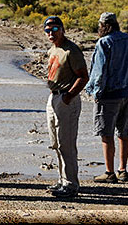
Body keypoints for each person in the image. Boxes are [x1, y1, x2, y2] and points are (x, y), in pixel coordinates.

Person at [85, 12, 128, 183]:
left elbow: (99, 72)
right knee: (123, 133)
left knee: (106, 134)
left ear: (104, 25)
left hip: (108, 95)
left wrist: (95, 92)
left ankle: (109, 173)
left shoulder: (104, 42)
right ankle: (122, 170)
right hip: (127, 93)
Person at [44, 16, 89, 198]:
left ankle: (71, 184)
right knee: (56, 143)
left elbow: (83, 76)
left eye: (54, 29)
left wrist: (69, 96)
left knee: (67, 144)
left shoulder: (72, 50)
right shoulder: (53, 49)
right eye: (47, 30)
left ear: (62, 29)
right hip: (53, 97)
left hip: (66, 99)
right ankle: (63, 180)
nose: (51, 34)